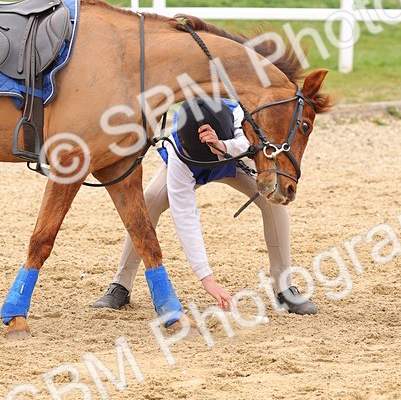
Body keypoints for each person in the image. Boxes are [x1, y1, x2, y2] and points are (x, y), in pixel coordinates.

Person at [92, 96, 318, 314]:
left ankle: (284, 286)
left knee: (274, 203)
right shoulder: (180, 153)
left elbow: (245, 144)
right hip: (193, 165)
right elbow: (185, 218)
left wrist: (222, 146)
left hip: (233, 158)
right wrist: (206, 278)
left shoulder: (243, 120)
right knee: (149, 201)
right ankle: (121, 284)